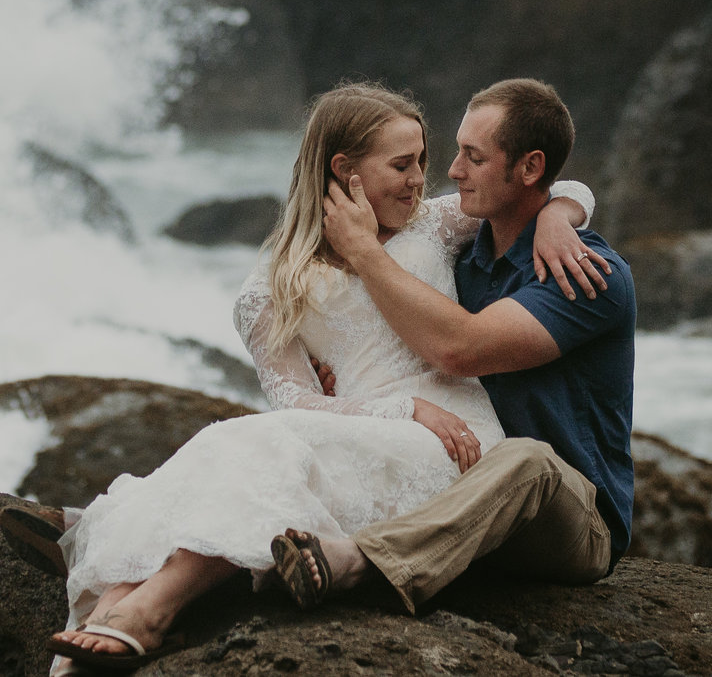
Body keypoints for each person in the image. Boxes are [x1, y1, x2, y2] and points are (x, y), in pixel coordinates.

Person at [16, 81, 610, 673]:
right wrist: (399, 410)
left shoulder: (430, 226)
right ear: (344, 170)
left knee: (254, 443)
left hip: (456, 442)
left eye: (423, 162)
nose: (422, 179)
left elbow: (551, 187)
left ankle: (128, 584)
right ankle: (120, 603)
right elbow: (293, 401)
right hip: (371, 432)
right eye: (402, 164)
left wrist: (559, 216)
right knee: (250, 439)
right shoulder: (271, 285)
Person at [271, 77, 634, 614]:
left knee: (528, 460)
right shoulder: (463, 260)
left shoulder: (585, 274)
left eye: (473, 156)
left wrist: (365, 252)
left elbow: (458, 349)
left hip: (569, 518)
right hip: (459, 495)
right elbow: (400, 339)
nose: (452, 170)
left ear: (530, 169)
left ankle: (356, 563)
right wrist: (344, 377)